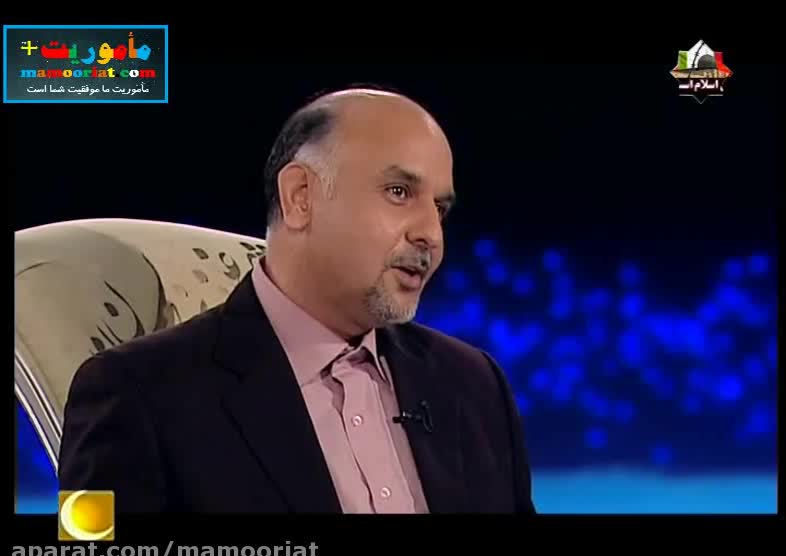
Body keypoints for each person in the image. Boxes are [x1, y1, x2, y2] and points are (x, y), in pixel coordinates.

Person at [58, 86, 537, 514]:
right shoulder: (133, 392)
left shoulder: (474, 384)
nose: (431, 234)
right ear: (300, 196)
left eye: (440, 208)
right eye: (399, 192)